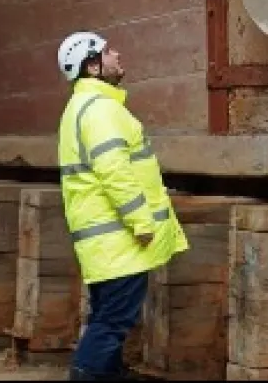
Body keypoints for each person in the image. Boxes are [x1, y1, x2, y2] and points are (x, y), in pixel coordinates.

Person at [57, 31, 187, 381]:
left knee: (107, 317)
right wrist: (142, 222)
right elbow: (114, 170)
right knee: (113, 322)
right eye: (108, 51)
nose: (117, 54)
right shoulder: (100, 110)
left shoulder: (82, 107)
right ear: (93, 66)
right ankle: (86, 374)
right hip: (120, 243)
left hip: (105, 245)